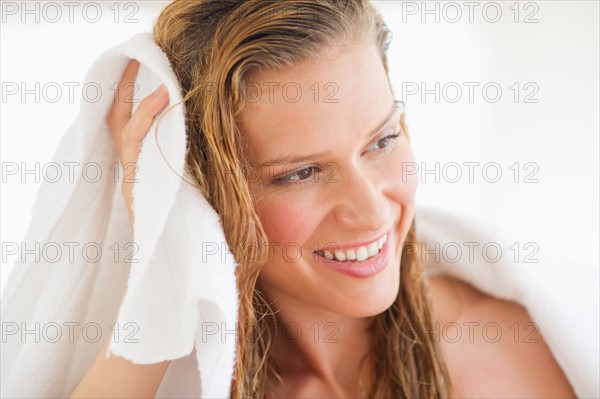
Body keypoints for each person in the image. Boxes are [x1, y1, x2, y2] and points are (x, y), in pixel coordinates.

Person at [70, 1, 575, 397]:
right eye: (302, 173)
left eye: (381, 141)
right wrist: (162, 245)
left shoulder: (497, 346)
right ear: (200, 192)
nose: (373, 211)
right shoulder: (190, 384)